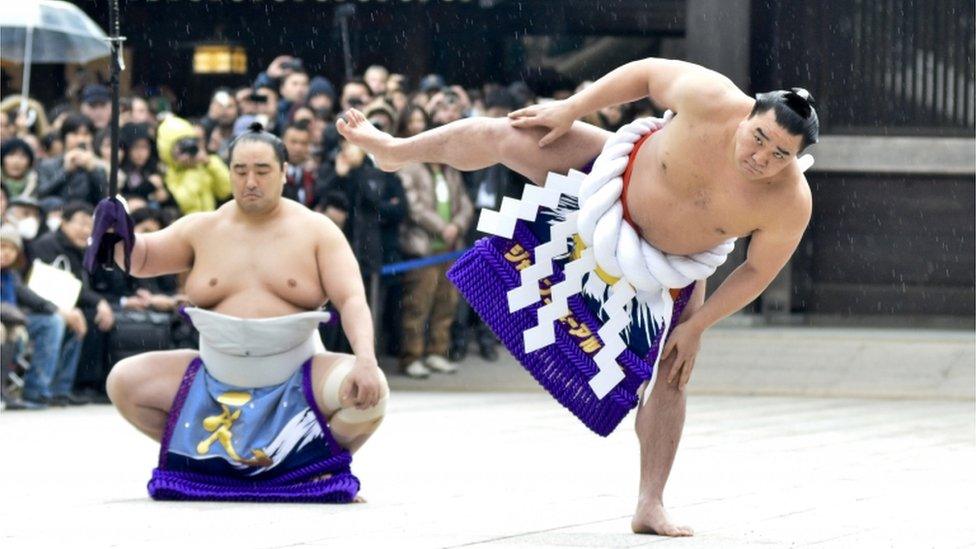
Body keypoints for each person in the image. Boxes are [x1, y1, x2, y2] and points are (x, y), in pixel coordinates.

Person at [336, 57, 818, 536]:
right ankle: (397, 149)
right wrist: (572, 108)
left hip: (670, 270)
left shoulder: (789, 201)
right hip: (614, 178)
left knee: (673, 373)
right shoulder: (711, 98)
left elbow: (757, 270)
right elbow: (646, 73)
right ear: (749, 115)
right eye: (760, 138)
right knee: (508, 134)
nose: (762, 158)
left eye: (780, 155)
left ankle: (650, 503)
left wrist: (697, 325)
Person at [100, 123, 388, 502]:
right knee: (123, 382)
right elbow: (142, 258)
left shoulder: (317, 231)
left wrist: (365, 358)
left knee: (371, 393)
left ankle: (311, 465)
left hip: (296, 373)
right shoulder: (202, 227)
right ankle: (211, 463)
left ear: (285, 173)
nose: (250, 181)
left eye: (263, 170)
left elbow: (351, 299)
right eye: (240, 170)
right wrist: (115, 230)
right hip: (215, 372)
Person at [156, 115, 231, 215]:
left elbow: (226, 190)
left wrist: (209, 162)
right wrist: (192, 171)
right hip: (186, 226)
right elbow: (184, 203)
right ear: (168, 151)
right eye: (180, 147)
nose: (187, 152)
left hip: (211, 222)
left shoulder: (205, 164)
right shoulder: (166, 173)